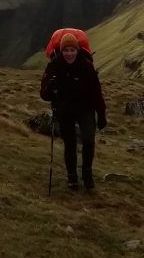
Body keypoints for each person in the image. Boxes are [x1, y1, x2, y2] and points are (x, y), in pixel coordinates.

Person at [40, 33, 107, 190]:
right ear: (61, 51)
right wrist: (50, 86)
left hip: (86, 108)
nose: (69, 53)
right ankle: (72, 177)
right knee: (69, 143)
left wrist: (102, 114)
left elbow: (97, 92)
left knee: (89, 140)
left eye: (72, 50)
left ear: (77, 50)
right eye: (66, 50)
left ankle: (87, 175)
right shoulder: (54, 66)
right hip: (65, 110)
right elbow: (44, 95)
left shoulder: (86, 66)